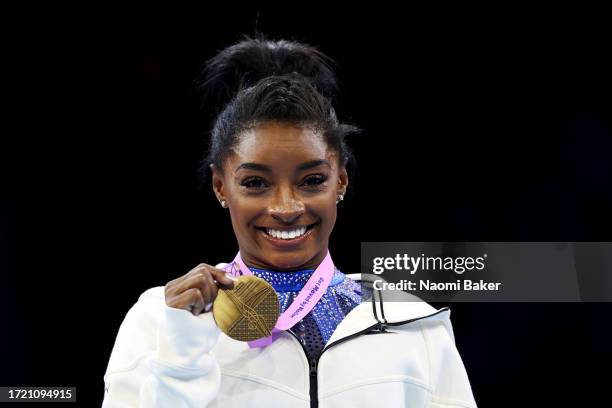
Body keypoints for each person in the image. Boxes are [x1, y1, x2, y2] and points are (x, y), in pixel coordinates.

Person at [102, 35, 477, 408]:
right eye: (255, 183)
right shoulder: (161, 318)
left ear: (340, 182)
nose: (286, 207)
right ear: (221, 186)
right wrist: (181, 351)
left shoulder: (414, 325)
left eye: (312, 180)